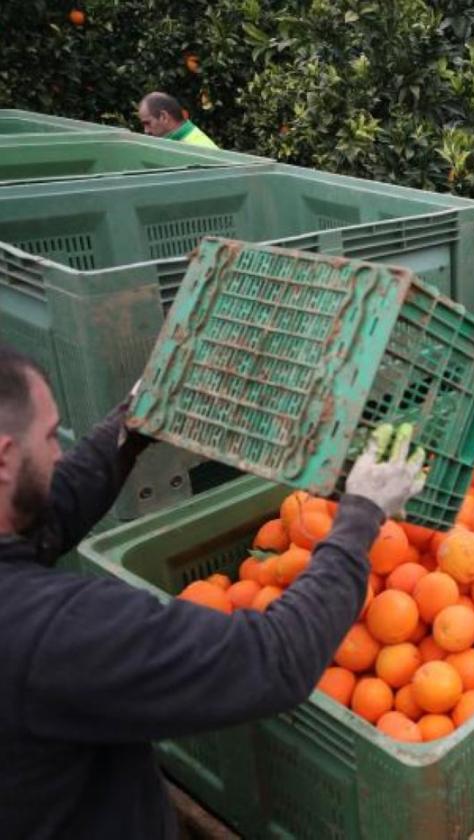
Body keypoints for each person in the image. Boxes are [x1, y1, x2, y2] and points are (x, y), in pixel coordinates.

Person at [0, 345, 425, 837]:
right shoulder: (53, 635)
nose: (58, 453)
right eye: (51, 437)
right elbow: (272, 658)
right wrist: (362, 515)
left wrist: (136, 422)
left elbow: (46, 513)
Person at [138, 91, 219, 148]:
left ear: (164, 117)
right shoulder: (181, 142)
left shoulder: (197, 149)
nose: (146, 131)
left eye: (147, 123)